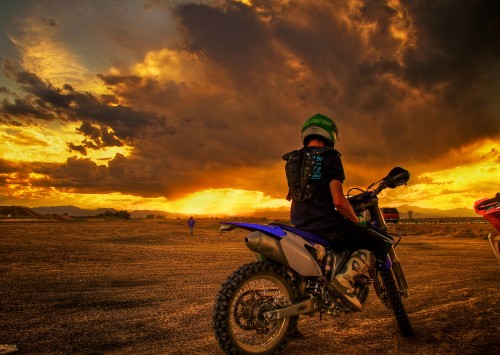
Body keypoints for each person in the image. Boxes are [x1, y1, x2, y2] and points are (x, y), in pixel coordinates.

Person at [282, 113, 388, 311]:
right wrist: (356, 220)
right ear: (330, 134)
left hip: (298, 222)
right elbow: (339, 202)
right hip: (325, 223)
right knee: (378, 244)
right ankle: (344, 281)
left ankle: (291, 320)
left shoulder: (293, 159)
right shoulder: (330, 157)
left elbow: (297, 195)